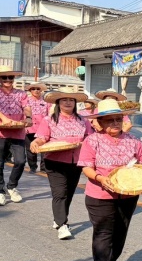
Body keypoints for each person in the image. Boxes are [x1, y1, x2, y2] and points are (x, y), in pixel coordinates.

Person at [78, 99, 142, 261]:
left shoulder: (134, 141)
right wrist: (101, 178)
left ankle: (112, 259)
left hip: (128, 194)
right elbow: (86, 167)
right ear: (100, 122)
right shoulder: (92, 141)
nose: (115, 123)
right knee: (103, 230)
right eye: (110, 120)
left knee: (121, 228)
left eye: (118, 119)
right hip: (99, 194)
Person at [30, 87, 93, 240]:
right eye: (64, 99)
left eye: (71, 100)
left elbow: (90, 138)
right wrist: (36, 142)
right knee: (59, 193)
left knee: (69, 193)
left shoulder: (83, 120)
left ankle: (58, 218)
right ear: (58, 102)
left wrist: (83, 144)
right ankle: (62, 224)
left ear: (75, 103)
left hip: (76, 161)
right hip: (54, 161)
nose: (68, 102)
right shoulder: (49, 120)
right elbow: (42, 137)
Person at [0, 65, 33, 205]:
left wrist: (28, 117)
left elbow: (27, 107)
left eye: (10, 77)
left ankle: (12, 187)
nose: (8, 80)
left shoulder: (21, 93)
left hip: (18, 131)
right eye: (4, 77)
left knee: (20, 161)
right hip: (1, 132)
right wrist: (4, 119)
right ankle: (0, 191)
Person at [24, 82, 49, 173]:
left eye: (38, 89)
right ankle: (32, 166)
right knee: (30, 148)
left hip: (43, 129)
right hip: (30, 128)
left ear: (41, 90)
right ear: (30, 90)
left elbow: (49, 114)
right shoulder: (26, 101)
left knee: (44, 148)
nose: (36, 90)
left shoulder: (46, 101)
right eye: (33, 89)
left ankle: (43, 168)